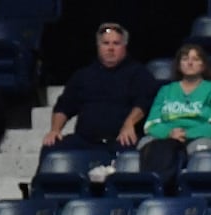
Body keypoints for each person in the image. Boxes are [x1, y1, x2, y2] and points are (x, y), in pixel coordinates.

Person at [41, 23, 156, 168]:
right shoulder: (83, 75)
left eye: (116, 43)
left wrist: (129, 124)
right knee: (51, 148)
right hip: (85, 141)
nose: (110, 48)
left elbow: (144, 102)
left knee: (133, 158)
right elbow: (64, 106)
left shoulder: (139, 73)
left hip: (122, 141)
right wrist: (55, 130)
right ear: (98, 46)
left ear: (124, 46)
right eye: (106, 43)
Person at [138, 43, 211, 177]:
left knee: (197, 150)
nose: (190, 63)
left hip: (197, 139)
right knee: (145, 143)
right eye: (185, 59)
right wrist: (169, 133)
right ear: (179, 65)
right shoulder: (165, 91)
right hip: (167, 138)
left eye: (196, 59)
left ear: (203, 65)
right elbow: (150, 125)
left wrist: (186, 133)